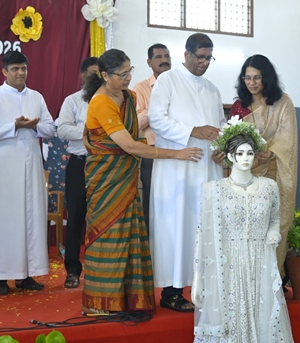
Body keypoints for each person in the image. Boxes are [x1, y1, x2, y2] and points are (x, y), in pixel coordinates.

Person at [81, 49, 203, 315]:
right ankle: (101, 303)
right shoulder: (101, 102)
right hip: (107, 179)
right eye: (122, 74)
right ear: (105, 75)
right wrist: (176, 154)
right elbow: (130, 145)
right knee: (109, 236)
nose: (128, 78)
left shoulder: (129, 97)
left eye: (130, 72)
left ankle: (127, 300)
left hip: (126, 177)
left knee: (131, 234)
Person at [190, 127, 297, 343]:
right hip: (229, 267)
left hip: (261, 263)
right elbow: (202, 235)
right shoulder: (214, 190)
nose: (245, 158)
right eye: (239, 153)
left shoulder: (269, 187)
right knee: (233, 316)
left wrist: (274, 232)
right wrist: (198, 279)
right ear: (230, 156)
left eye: (249, 153)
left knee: (263, 314)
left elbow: (275, 218)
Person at [148, 33, 225, 312]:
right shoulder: (168, 81)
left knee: (204, 227)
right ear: (187, 55)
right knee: (178, 226)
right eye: (201, 57)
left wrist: (222, 148)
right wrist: (193, 130)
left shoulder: (212, 89)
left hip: (208, 168)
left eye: (209, 58)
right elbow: (156, 119)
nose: (205, 63)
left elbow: (221, 126)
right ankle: (172, 291)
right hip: (177, 170)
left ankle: (202, 288)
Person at [0, 51, 56, 295]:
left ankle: (25, 275)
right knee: (3, 220)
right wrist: (14, 125)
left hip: (31, 166)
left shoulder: (36, 96)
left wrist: (34, 126)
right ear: (4, 72)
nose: (20, 73)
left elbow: (50, 128)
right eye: (15, 69)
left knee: (30, 217)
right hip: (3, 168)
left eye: (23, 68)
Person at [229, 54, 298, 268]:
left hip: (276, 172)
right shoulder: (239, 106)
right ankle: (249, 276)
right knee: (250, 224)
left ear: (266, 77)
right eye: (247, 78)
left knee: (276, 224)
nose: (252, 83)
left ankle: (273, 276)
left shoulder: (282, 102)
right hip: (248, 176)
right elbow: (234, 141)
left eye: (257, 77)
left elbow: (287, 135)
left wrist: (271, 151)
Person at [56, 56, 99, 289]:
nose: (97, 78)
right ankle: (72, 271)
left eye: (101, 73)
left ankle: (101, 268)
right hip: (79, 164)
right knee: (75, 218)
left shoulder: (114, 99)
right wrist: (90, 132)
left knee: (103, 217)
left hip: (105, 164)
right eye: (93, 73)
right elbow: (62, 130)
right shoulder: (72, 100)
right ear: (82, 75)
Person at [133, 44, 171, 232]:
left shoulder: (178, 85)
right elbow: (138, 122)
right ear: (149, 62)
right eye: (158, 57)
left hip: (176, 151)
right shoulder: (140, 88)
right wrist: (158, 107)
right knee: (152, 200)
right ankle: (151, 244)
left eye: (167, 56)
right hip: (152, 153)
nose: (164, 60)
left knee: (174, 200)